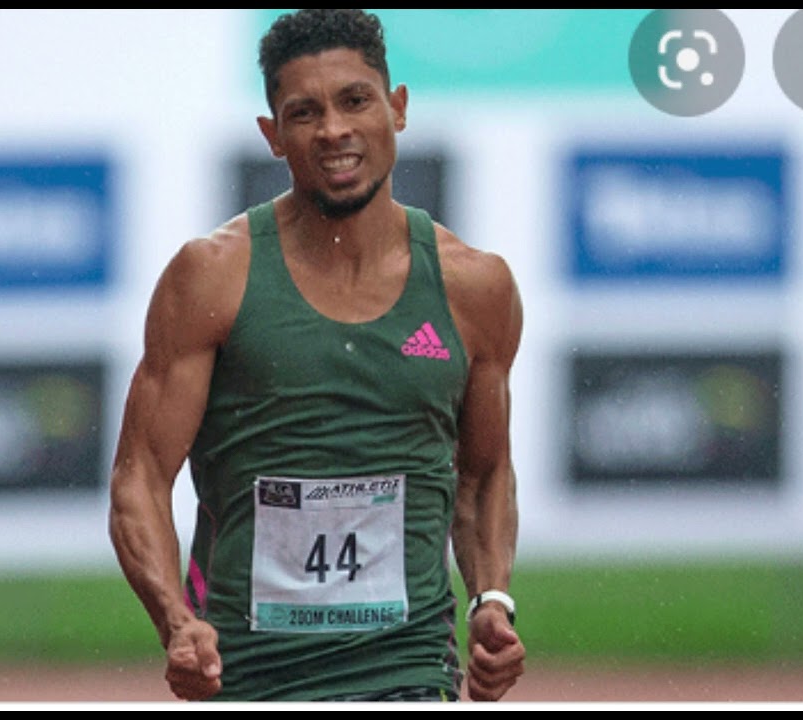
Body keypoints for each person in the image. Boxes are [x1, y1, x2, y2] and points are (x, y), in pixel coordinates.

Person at [108, 8, 524, 702]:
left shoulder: (475, 288)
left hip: (408, 670)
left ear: (397, 108)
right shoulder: (211, 278)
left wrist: (492, 599)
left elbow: (482, 477)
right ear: (272, 135)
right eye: (304, 112)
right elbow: (140, 477)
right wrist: (175, 622)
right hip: (246, 676)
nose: (333, 130)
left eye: (355, 100)